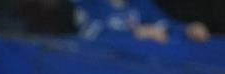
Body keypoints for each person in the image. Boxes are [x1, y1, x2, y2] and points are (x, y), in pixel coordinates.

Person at [72, 0, 210, 42]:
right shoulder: (87, 4)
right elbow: (88, 36)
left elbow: (162, 24)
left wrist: (187, 29)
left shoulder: (139, 4)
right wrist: (134, 34)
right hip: (100, 70)